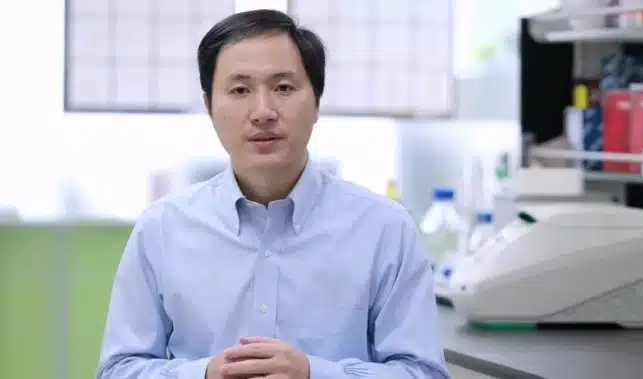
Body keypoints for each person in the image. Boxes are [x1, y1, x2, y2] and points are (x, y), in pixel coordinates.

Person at [95, 9, 451, 379]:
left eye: (283, 88)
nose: (263, 112)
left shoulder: (385, 229)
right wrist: (202, 375)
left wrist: (315, 374)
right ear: (209, 107)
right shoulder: (162, 229)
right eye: (239, 90)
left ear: (316, 101)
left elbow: (423, 373)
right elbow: (119, 370)